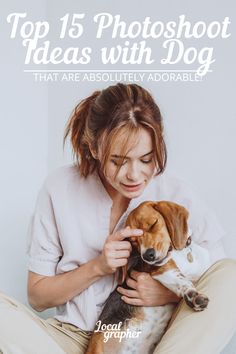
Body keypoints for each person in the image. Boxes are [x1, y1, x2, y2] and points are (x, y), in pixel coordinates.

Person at [0, 83, 235, 354]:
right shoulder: (59, 188)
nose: (134, 175)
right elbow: (38, 297)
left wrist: (167, 294)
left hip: (161, 339)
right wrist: (98, 267)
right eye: (119, 161)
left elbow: (219, 282)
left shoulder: (177, 195)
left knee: (232, 274)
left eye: (146, 159)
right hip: (71, 340)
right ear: (95, 149)